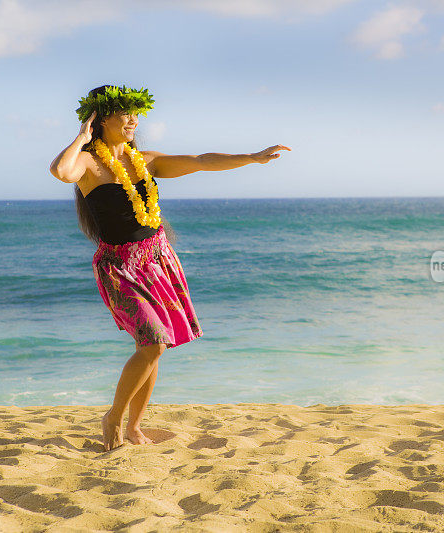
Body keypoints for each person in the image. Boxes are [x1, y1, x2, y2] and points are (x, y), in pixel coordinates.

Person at [49, 85, 291, 451]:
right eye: (125, 113)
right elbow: (60, 170)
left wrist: (252, 157)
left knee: (151, 345)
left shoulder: (146, 161)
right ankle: (113, 418)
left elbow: (200, 160)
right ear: (101, 118)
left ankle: (134, 426)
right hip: (120, 267)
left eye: (135, 113)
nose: (134, 120)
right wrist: (82, 136)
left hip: (158, 260)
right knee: (153, 342)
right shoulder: (88, 163)